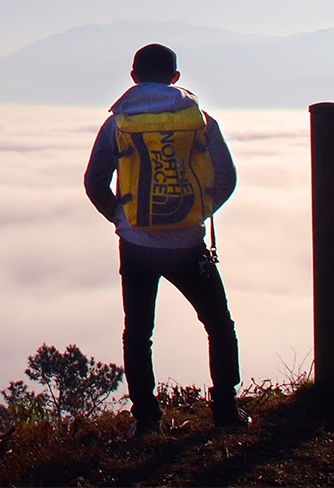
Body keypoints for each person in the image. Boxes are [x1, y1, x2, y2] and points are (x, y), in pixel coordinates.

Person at [83, 42, 245, 433]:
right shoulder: (200, 120)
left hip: (136, 245)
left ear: (133, 76)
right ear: (175, 78)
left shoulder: (117, 123)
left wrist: (122, 218)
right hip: (188, 245)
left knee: (138, 332)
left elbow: (93, 182)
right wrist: (194, 215)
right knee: (218, 324)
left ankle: (147, 421)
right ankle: (225, 412)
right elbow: (226, 179)